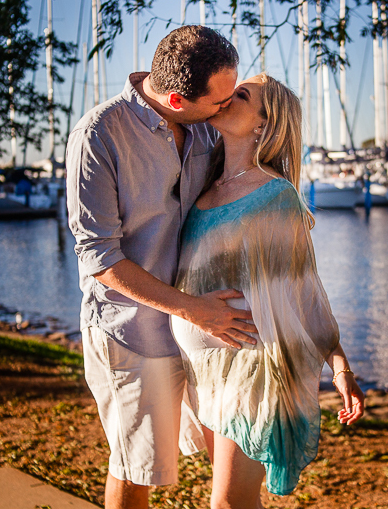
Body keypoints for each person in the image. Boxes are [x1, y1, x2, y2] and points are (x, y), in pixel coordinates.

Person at [65, 26, 259, 509]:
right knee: (137, 469)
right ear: (176, 98)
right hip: (135, 334)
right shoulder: (98, 135)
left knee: (229, 465)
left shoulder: (203, 125)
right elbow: (99, 257)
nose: (226, 108)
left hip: (202, 335)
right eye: (219, 103)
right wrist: (194, 309)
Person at [171, 73, 365, 507]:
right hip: (206, 369)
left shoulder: (274, 197)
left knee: (226, 503)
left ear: (264, 124)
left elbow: (304, 290)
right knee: (237, 502)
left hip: (253, 368)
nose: (225, 98)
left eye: (241, 95)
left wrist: (339, 367)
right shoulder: (203, 184)